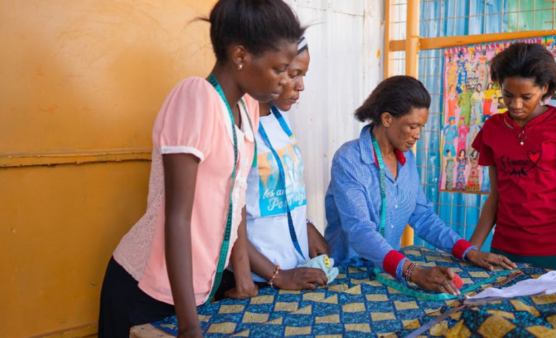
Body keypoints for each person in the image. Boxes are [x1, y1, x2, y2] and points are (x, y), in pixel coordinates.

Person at [97, 1, 304, 337]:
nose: (284, 81)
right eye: (279, 68)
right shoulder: (195, 98)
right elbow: (178, 217)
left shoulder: (247, 107)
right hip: (147, 292)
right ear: (240, 56)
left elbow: (235, 201)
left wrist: (245, 280)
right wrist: (189, 324)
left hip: (196, 295)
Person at [324, 76, 516, 295]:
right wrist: (413, 272)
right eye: (412, 126)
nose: (418, 135)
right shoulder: (349, 159)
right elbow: (359, 230)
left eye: (421, 127)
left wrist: (468, 251)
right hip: (349, 275)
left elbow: (423, 216)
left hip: (389, 273)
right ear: (387, 119)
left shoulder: (407, 159)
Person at [468, 42, 556, 277]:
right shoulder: (493, 128)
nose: (515, 104)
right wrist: (470, 249)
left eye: (526, 96)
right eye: (507, 95)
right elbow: (495, 196)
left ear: (545, 88)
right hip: (503, 252)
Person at [215, 37, 332, 296]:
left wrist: (307, 224)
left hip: (295, 270)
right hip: (260, 278)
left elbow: (283, 189)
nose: (300, 86)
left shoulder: (281, 118)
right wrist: (277, 275)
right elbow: (230, 216)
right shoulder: (238, 124)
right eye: (293, 74)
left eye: (303, 75)